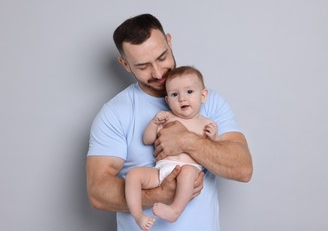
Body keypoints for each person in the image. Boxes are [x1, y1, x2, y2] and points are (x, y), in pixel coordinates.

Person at [86, 13, 253, 231]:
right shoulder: (114, 114)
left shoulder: (208, 101)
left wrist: (187, 141)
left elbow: (243, 169)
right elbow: (98, 193)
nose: (157, 73)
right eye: (143, 66)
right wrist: (160, 194)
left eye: (162, 57)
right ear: (125, 64)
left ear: (170, 42)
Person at [125, 66, 220, 230]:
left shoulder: (207, 124)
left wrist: (212, 138)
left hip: (188, 174)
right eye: (175, 94)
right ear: (168, 100)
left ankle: (175, 210)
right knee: (133, 174)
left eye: (189, 92)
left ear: (203, 95)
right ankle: (138, 215)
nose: (182, 99)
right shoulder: (166, 118)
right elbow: (147, 140)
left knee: (188, 172)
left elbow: (212, 154)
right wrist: (155, 123)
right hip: (161, 170)